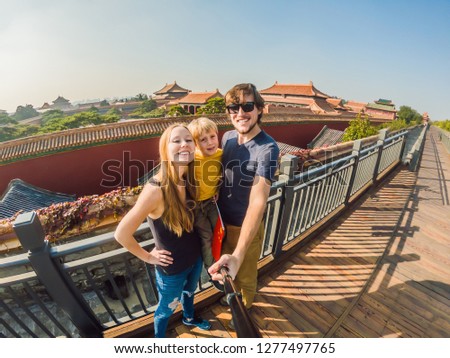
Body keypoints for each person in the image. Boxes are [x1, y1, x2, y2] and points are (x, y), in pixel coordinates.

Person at [114, 123, 211, 338]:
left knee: (189, 292)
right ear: (164, 149)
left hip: (194, 259)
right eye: (176, 141)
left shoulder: (189, 178)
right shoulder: (155, 189)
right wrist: (148, 257)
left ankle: (189, 317)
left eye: (188, 140)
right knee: (165, 309)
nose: (184, 144)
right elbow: (121, 233)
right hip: (171, 269)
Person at [208, 83, 280, 314]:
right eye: (233, 107)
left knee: (246, 272)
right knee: (226, 267)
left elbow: (258, 200)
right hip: (221, 222)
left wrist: (239, 253)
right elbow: (223, 169)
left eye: (248, 106)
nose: (240, 113)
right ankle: (233, 293)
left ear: (260, 109)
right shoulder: (228, 137)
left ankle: (244, 304)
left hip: (244, 225)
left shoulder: (267, 148)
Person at [187, 117, 223, 272]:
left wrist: (218, 190)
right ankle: (211, 269)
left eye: (212, 137)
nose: (210, 143)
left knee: (220, 231)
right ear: (195, 143)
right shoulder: (191, 159)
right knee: (206, 236)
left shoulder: (221, 154)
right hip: (195, 205)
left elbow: (222, 174)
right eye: (203, 140)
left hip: (211, 201)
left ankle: (222, 259)